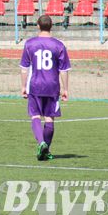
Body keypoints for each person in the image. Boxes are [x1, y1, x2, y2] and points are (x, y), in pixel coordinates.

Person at [19, 15, 71, 161]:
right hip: (52, 86)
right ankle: (46, 149)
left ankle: (41, 143)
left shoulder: (30, 44)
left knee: (35, 116)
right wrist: (66, 89)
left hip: (35, 85)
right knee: (49, 118)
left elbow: (24, 68)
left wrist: (23, 86)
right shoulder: (59, 45)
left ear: (37, 25)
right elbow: (64, 70)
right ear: (51, 26)